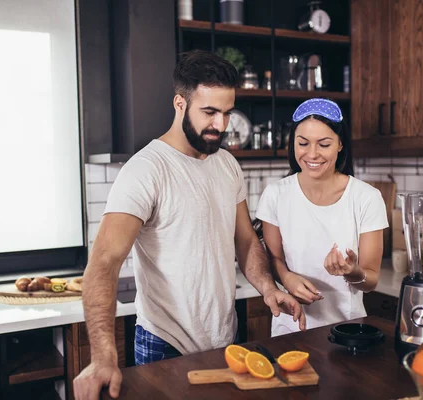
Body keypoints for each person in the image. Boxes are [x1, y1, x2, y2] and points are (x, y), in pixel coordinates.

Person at [73, 50, 305, 400]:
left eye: (227, 112)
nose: (221, 125)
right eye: (209, 112)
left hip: (224, 340)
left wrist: (268, 288)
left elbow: (245, 241)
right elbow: (103, 263)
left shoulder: (226, 164)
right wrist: (104, 356)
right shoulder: (146, 169)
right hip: (165, 344)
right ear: (180, 103)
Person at [255, 98, 388, 337]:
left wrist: (352, 271)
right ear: (293, 144)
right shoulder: (275, 195)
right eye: (303, 143)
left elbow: (371, 280)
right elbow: (273, 259)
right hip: (291, 330)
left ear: (340, 145)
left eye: (324, 144)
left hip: (347, 333)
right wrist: (287, 278)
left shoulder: (367, 197)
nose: (312, 154)